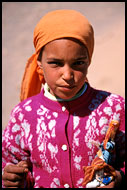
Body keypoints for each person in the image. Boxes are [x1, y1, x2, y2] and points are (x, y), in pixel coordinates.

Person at [2, 9, 125, 188]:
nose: (67, 75)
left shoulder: (114, 108)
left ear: (89, 61)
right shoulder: (23, 115)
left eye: (78, 63)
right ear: (39, 64)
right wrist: (14, 180)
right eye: (56, 63)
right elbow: (9, 165)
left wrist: (118, 178)